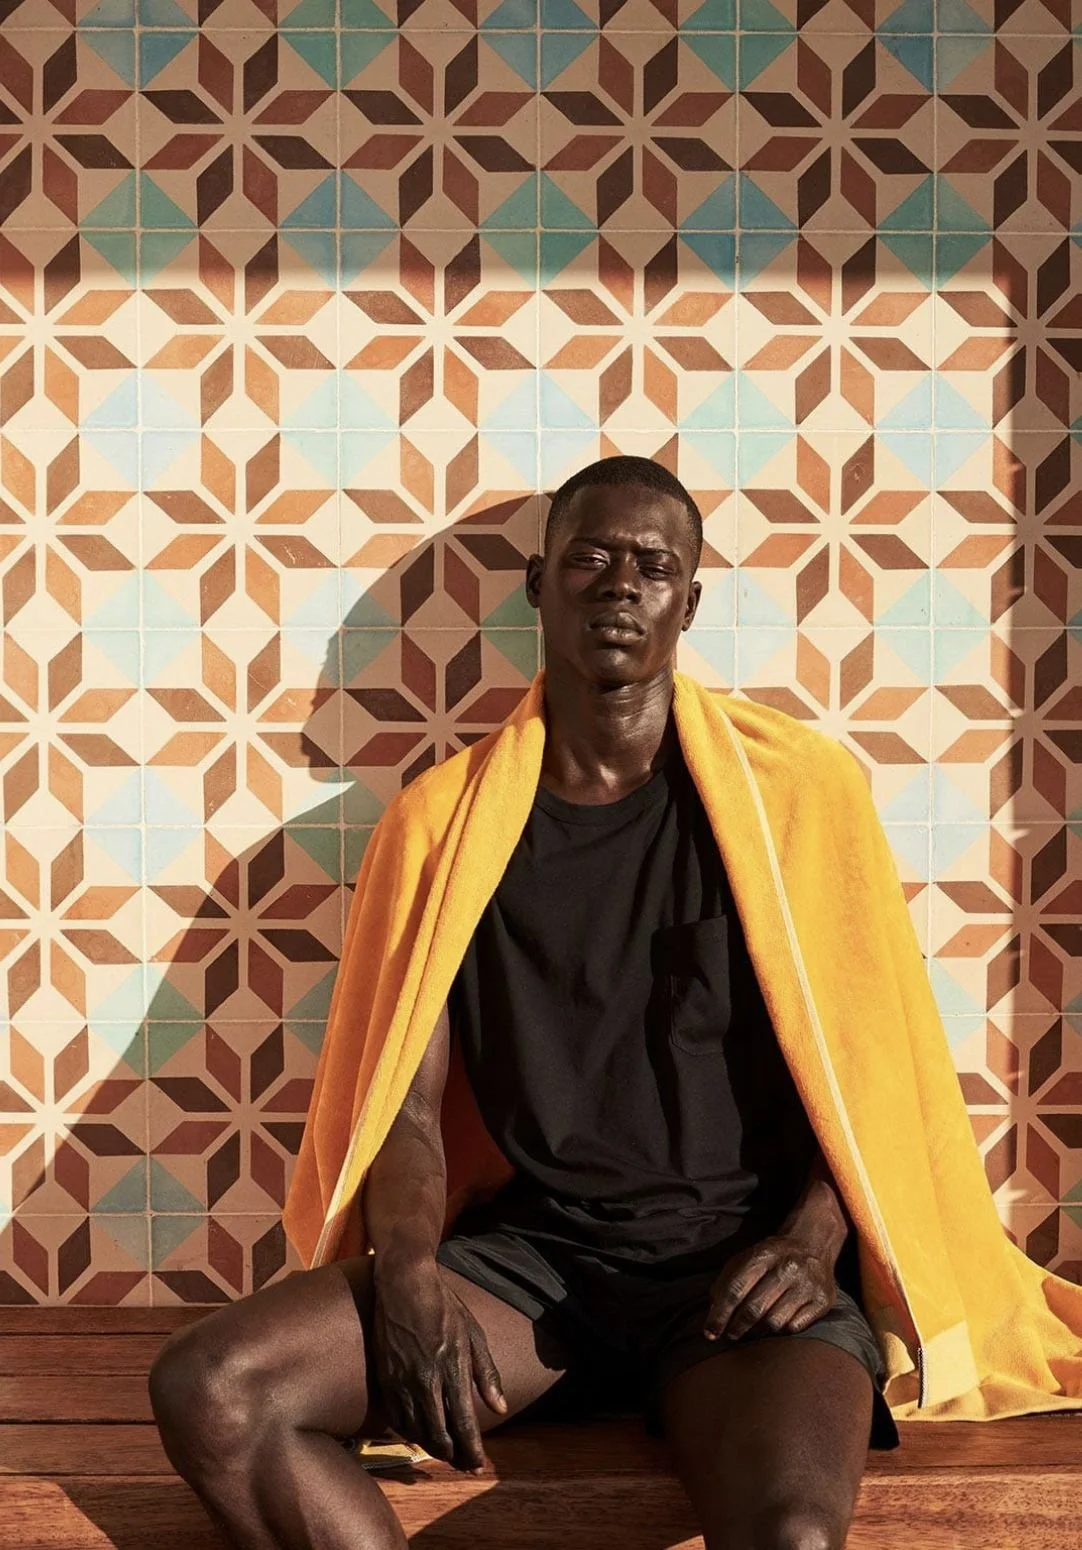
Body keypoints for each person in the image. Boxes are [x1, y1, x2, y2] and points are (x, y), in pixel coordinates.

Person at [147, 456, 1082, 1550]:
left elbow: (874, 1075)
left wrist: (807, 1236)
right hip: (530, 1266)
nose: (618, 583)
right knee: (212, 1388)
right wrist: (404, 1271)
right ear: (537, 586)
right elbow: (401, 1104)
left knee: (792, 1535)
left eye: (652, 565)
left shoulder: (797, 796)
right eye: (588, 556)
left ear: (689, 600)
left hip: (742, 1281)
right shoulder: (441, 824)